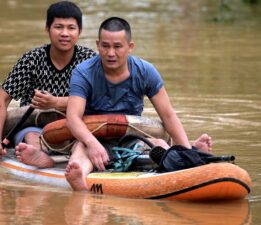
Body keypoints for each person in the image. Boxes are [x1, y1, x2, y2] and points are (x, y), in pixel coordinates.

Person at [64, 17, 213, 191]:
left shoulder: (145, 71)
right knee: (79, 152)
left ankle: (189, 150)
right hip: (93, 138)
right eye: (105, 46)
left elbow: (168, 115)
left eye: (117, 47)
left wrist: (187, 153)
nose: (111, 53)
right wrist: (92, 143)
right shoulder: (83, 72)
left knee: (160, 146)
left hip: (132, 139)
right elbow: (73, 118)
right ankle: (79, 179)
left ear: (130, 47)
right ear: (98, 45)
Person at [0, 1, 96, 167]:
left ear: (79, 31)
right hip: (34, 126)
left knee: (83, 140)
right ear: (47, 29)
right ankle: (38, 155)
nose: (65, 33)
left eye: (71, 28)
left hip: (76, 126)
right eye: (58, 27)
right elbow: (2, 99)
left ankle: (77, 161)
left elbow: (99, 99)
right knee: (31, 138)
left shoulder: (89, 61)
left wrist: (56, 102)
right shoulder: (31, 60)